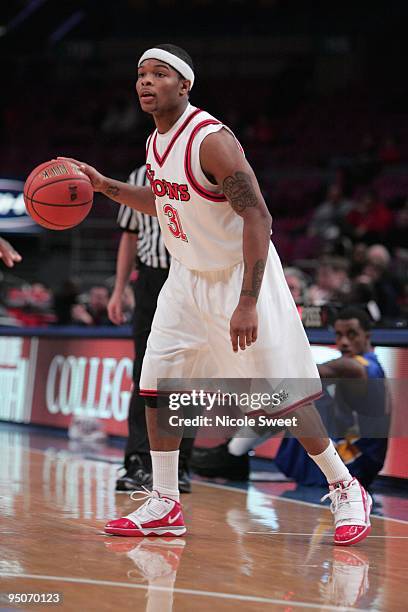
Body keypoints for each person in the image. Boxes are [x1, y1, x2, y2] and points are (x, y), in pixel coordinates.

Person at [59, 43, 372, 546]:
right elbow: (162, 205)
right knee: (158, 385)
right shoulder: (153, 143)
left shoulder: (210, 140)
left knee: (280, 396)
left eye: (159, 74)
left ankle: (344, 486)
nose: (145, 82)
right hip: (185, 277)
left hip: (237, 276)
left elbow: (259, 217)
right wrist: (104, 186)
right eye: (141, 74)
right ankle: (164, 501)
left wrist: (247, 300)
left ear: (184, 85)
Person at [194, 307, 389, 490]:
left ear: (367, 336)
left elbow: (307, 372)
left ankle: (232, 454)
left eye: (352, 334)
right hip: (361, 461)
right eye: (339, 335)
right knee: (290, 395)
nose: (344, 342)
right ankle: (232, 453)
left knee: (294, 397)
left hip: (353, 462)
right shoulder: (371, 366)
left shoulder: (357, 367)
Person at [108, 165, 193, 493]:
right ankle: (138, 462)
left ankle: (181, 465)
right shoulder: (135, 177)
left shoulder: (194, 169)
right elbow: (129, 238)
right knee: (145, 371)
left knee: (188, 374)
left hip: (190, 276)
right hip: (151, 279)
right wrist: (118, 289)